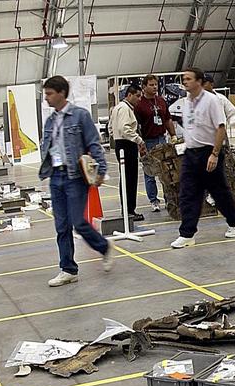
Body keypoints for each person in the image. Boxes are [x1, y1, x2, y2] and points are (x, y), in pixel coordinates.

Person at [39, 75, 112, 287]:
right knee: (61, 226)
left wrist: (101, 171)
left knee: (78, 223)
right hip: (56, 176)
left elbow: (94, 143)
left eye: (50, 94)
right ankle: (68, 269)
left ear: (62, 93)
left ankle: (104, 247)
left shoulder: (80, 116)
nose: (47, 99)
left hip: (74, 177)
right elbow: (48, 148)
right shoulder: (50, 120)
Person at [170, 68, 235, 249]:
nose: (185, 82)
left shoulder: (212, 101)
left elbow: (220, 127)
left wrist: (215, 154)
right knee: (188, 193)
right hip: (190, 154)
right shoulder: (187, 102)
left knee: (219, 193)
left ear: (199, 81)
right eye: (183, 79)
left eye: (188, 79)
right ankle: (187, 234)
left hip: (208, 152)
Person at [133, 74, 175, 212]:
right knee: (150, 172)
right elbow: (136, 126)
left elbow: (167, 119)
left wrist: (173, 135)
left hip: (161, 138)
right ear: (144, 87)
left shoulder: (161, 101)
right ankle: (154, 200)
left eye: (156, 84)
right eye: (151, 85)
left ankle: (169, 198)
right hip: (148, 141)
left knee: (167, 171)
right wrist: (140, 144)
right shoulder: (139, 104)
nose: (154, 87)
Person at [109, 85, 144, 222]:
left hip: (120, 144)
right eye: (138, 96)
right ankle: (129, 210)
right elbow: (124, 129)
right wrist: (139, 140)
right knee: (130, 179)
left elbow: (111, 127)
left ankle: (127, 209)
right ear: (129, 95)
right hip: (127, 144)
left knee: (126, 178)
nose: (139, 99)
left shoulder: (117, 107)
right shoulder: (124, 109)